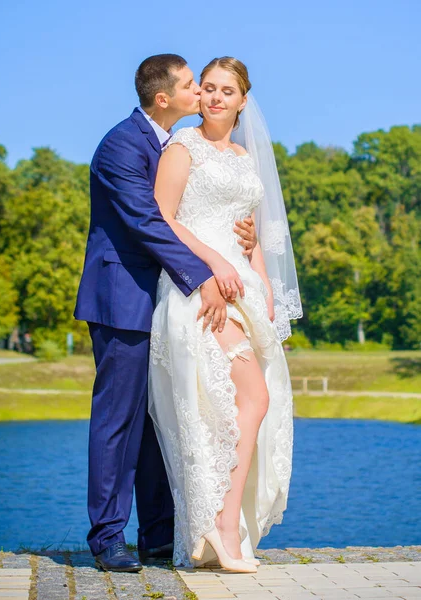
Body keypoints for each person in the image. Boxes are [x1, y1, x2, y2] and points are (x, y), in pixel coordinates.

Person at [74, 54, 258, 573]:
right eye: (193, 85)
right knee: (120, 421)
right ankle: (108, 538)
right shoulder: (121, 146)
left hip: (164, 299)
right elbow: (149, 222)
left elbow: (190, 209)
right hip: (122, 298)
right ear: (165, 98)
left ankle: (158, 536)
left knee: (164, 420)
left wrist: (245, 237)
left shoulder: (175, 144)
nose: (202, 92)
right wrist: (204, 276)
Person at [148, 57, 302, 572]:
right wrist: (211, 263)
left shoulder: (245, 156)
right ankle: (217, 524)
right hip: (199, 288)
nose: (214, 97)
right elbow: (164, 219)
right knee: (247, 398)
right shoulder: (182, 147)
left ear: (242, 100)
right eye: (208, 88)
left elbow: (249, 231)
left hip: (245, 292)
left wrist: (266, 292)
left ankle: (222, 528)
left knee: (247, 406)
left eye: (226, 91)